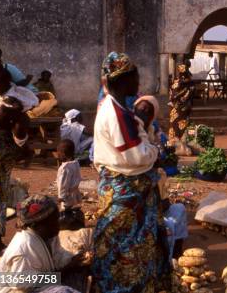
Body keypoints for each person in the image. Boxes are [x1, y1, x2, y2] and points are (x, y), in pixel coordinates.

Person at [92, 52, 170, 293]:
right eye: (135, 77)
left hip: (131, 190)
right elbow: (136, 155)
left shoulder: (118, 108)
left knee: (134, 245)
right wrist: (156, 151)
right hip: (125, 192)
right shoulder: (115, 114)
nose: (138, 82)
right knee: (124, 247)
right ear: (123, 80)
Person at [0, 194, 87, 293]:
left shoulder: (50, 236)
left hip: (40, 281)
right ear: (36, 225)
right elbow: (21, 283)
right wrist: (63, 272)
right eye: (53, 221)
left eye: (57, 219)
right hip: (14, 289)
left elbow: (58, 255)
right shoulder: (24, 249)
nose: (58, 224)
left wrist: (73, 259)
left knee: (80, 273)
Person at [134, 95, 187, 261]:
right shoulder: (131, 131)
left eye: (147, 111)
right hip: (140, 207)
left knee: (180, 210)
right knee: (167, 225)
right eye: (140, 110)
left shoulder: (151, 132)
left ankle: (177, 255)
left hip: (154, 200)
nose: (143, 114)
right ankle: (164, 259)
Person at [0, 97, 28, 254]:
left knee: (1, 198)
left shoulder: (18, 120)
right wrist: (0, 120)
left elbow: (21, 140)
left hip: (3, 156)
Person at [56, 139, 84, 231]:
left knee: (66, 212)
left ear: (63, 154)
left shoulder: (64, 168)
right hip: (75, 192)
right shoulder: (76, 163)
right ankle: (75, 223)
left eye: (58, 153)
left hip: (67, 195)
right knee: (74, 209)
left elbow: (63, 184)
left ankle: (69, 227)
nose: (57, 155)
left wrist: (61, 197)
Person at [168, 64, 193, 141]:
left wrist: (175, 98)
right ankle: (180, 142)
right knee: (179, 124)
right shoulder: (184, 81)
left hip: (178, 107)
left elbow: (173, 94)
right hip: (179, 107)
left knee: (176, 124)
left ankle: (177, 143)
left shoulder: (179, 81)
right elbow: (188, 93)